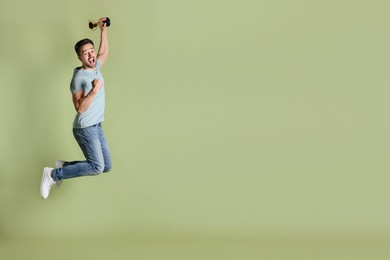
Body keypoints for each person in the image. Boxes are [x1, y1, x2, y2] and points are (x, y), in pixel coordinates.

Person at [40, 17, 112, 199]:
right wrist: (94, 91)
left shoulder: (95, 67)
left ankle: (63, 166)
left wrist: (103, 30)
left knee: (107, 166)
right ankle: (52, 174)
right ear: (79, 57)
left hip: (97, 126)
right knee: (97, 167)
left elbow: (104, 52)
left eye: (91, 51)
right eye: (85, 53)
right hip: (85, 128)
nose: (90, 55)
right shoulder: (78, 78)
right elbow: (79, 108)